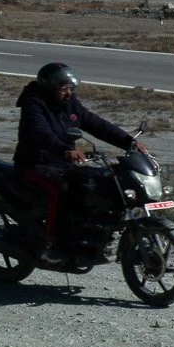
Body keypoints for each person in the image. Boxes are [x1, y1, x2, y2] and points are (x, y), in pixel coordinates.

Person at [13, 62, 148, 251]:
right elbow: (41, 132)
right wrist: (64, 150)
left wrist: (128, 142)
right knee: (58, 190)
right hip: (34, 164)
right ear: (50, 87)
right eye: (63, 89)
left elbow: (95, 123)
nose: (69, 93)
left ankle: (88, 232)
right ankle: (49, 241)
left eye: (71, 88)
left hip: (63, 165)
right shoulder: (34, 104)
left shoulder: (70, 104)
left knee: (96, 183)